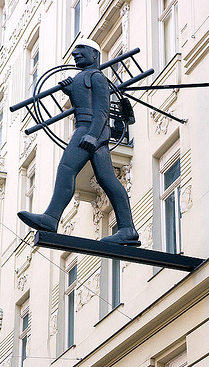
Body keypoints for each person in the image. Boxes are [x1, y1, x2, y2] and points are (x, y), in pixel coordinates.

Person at [18, 38, 140, 246]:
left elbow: (101, 110)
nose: (75, 53)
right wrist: (70, 91)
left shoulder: (97, 77)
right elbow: (83, 101)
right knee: (107, 179)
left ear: (95, 55)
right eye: (74, 50)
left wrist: (92, 135)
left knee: (67, 168)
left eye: (81, 49)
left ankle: (51, 217)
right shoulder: (84, 77)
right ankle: (127, 228)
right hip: (90, 129)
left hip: (89, 128)